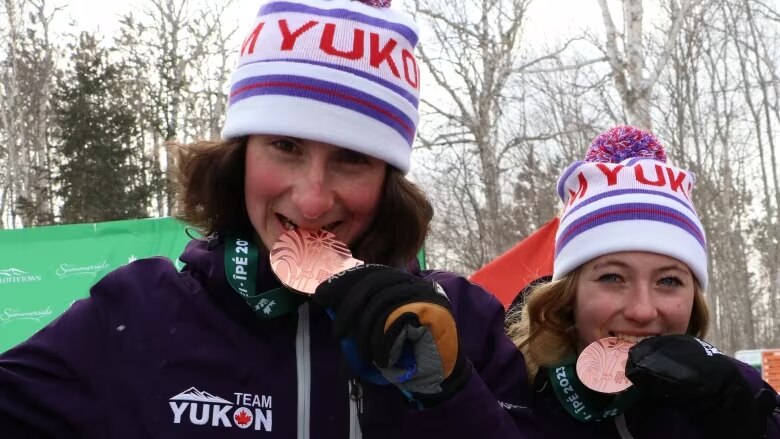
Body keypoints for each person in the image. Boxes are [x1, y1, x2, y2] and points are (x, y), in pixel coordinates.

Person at [0, 0, 528, 437]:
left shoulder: (462, 321)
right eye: (285, 145)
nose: (313, 201)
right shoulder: (139, 314)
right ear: (241, 157)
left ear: (388, 180)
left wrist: (450, 396)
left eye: (352, 158)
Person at [506, 125, 780, 438]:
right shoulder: (505, 395)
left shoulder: (737, 393)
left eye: (668, 280)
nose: (642, 311)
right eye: (612, 277)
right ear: (570, 293)